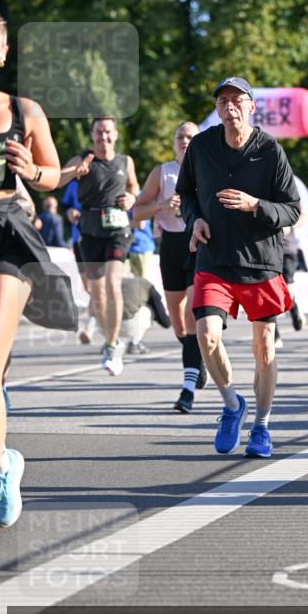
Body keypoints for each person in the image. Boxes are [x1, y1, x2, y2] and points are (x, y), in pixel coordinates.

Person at [0, 8, 76, 548]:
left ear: (1, 53)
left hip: (6, 235)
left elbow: (51, 176)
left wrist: (29, 169)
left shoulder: (23, 110)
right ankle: (3, 464)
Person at [176, 76, 301, 457]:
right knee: (206, 334)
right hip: (214, 258)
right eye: (222, 101)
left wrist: (254, 205)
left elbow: (292, 209)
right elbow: (186, 195)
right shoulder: (201, 146)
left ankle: (262, 426)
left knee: (264, 348)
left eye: (237, 100)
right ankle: (232, 405)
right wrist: (194, 220)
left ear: (251, 107)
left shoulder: (270, 150)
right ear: (217, 109)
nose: (229, 106)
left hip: (261, 261)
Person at [132, 121, 207, 412]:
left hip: (199, 242)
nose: (185, 140)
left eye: (190, 136)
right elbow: (137, 211)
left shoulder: (207, 170)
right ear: (174, 141)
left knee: (191, 314)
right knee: (178, 318)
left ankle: (187, 390)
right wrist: (162, 205)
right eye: (180, 136)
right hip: (172, 246)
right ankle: (195, 354)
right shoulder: (162, 172)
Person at [59, 117, 140, 377]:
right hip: (90, 230)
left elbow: (134, 186)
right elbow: (56, 180)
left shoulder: (125, 161)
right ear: (92, 135)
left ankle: (112, 345)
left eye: (107, 132)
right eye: (98, 132)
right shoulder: (83, 158)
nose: (103, 137)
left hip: (118, 229)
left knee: (112, 283)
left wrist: (132, 198)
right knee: (98, 294)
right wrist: (75, 171)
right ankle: (110, 341)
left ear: (115, 134)